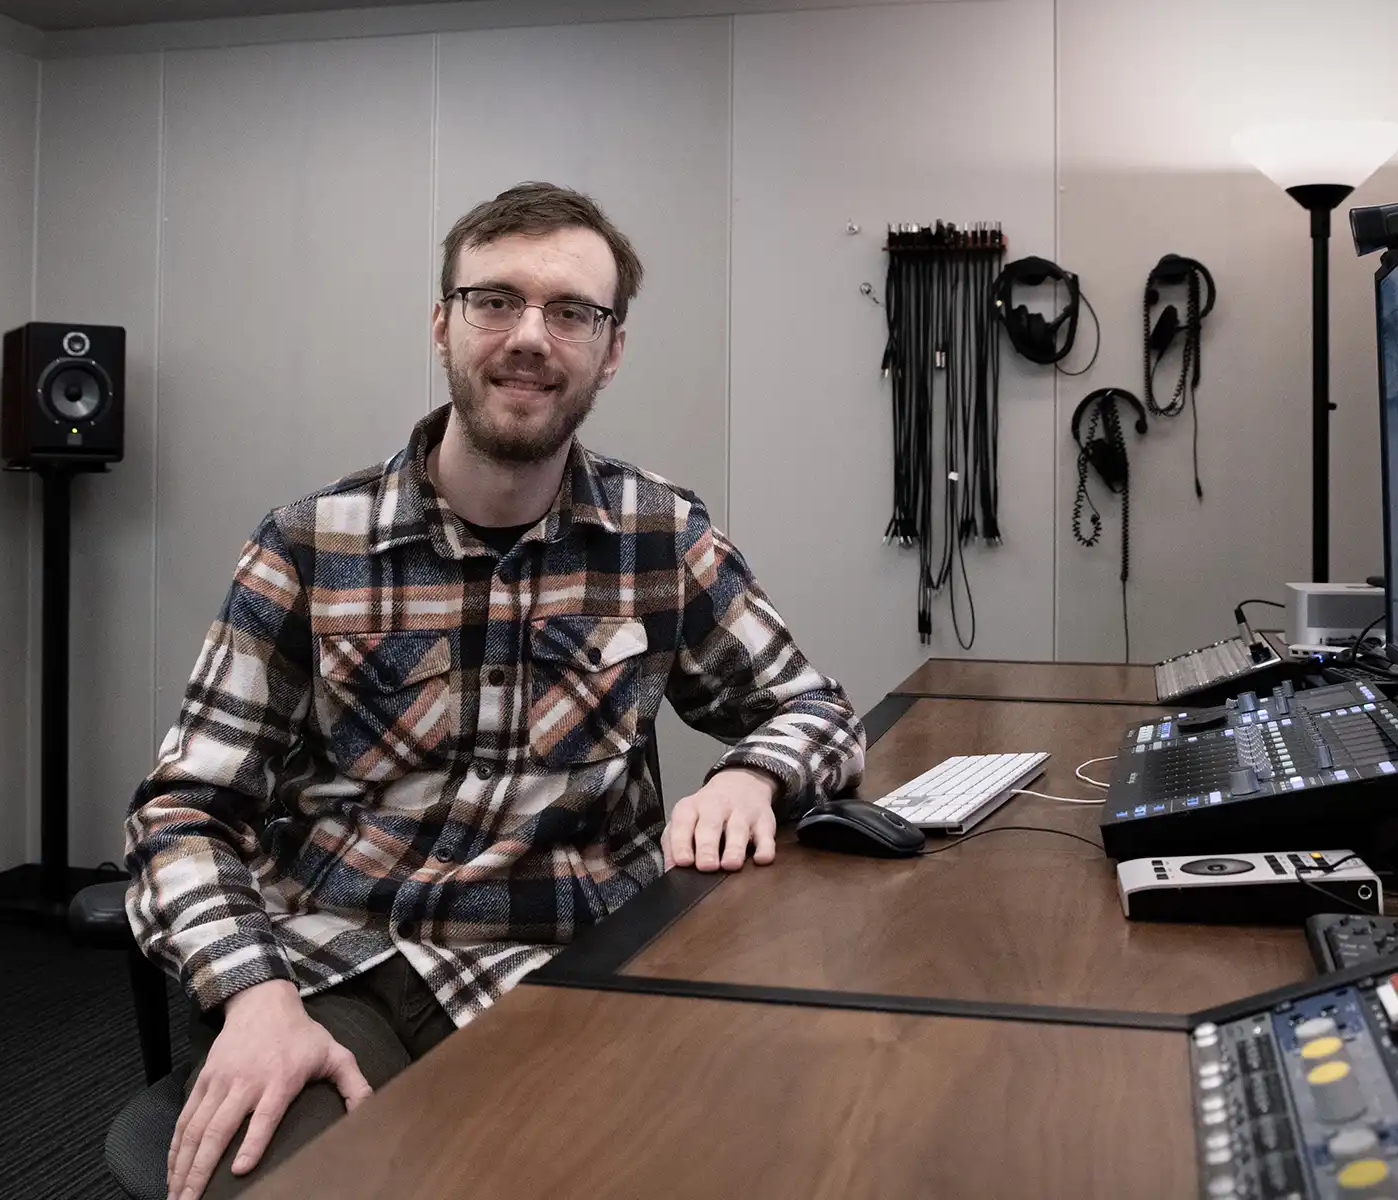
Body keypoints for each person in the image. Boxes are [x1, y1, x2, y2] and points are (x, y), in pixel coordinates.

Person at [126, 182, 865, 1200]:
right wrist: (253, 998)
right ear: (443, 324)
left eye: (571, 312)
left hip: (585, 965)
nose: (528, 337)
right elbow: (184, 812)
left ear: (611, 349)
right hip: (345, 968)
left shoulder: (660, 536)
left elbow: (813, 709)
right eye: (495, 301)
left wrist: (754, 776)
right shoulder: (307, 546)